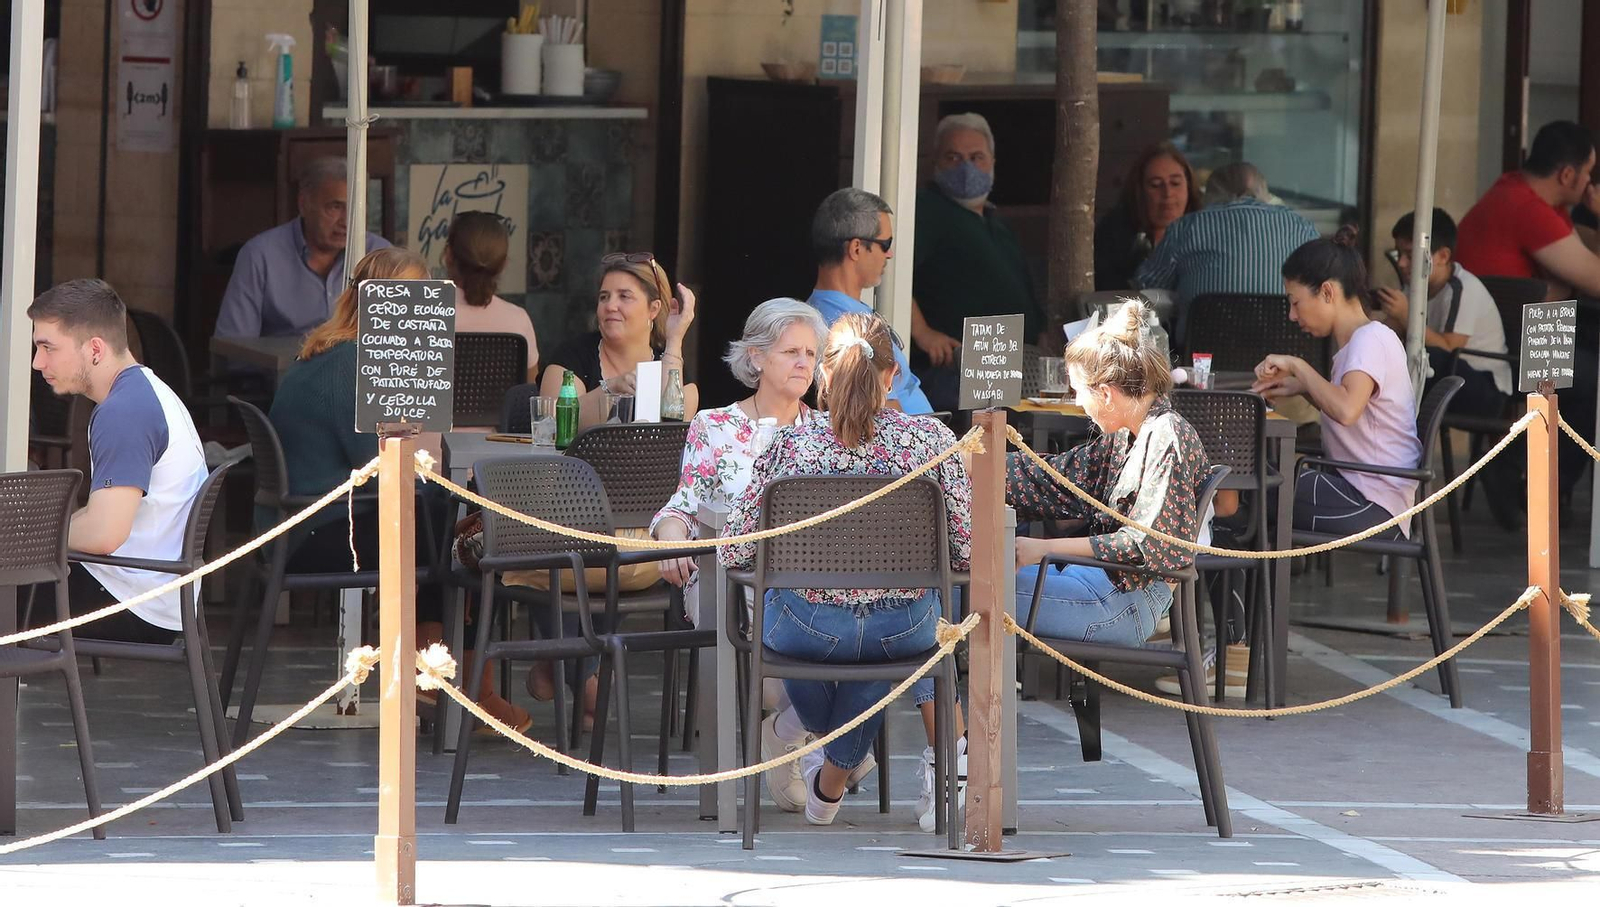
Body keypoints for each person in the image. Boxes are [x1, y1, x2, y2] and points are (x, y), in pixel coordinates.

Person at [720, 312, 971, 828]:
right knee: (891, 642)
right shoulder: (930, 441)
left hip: (807, 631)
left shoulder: (790, 446)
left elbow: (734, 551)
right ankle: (845, 781)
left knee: (810, 627)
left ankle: (828, 781)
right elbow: (964, 549)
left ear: (824, 375)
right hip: (903, 629)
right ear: (892, 376)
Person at [269, 247, 530, 733]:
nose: (418, 310)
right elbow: (377, 469)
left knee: (450, 525)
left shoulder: (335, 351)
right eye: (408, 297)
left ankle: (441, 681)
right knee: (466, 536)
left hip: (311, 523)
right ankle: (466, 689)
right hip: (321, 530)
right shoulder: (352, 363)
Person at [648, 298, 827, 814]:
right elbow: (682, 506)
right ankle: (820, 741)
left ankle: (792, 734)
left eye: (811, 354)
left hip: (807, 583)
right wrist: (672, 541)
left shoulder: (827, 430)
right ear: (756, 357)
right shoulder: (714, 425)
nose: (804, 363)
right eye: (791, 352)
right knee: (789, 628)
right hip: (724, 578)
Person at [1005, 298, 1212, 650]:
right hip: (1104, 585)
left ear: (1104, 393)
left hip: (1128, 601)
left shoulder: (1166, 435)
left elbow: (1145, 544)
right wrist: (972, 462)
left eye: (1078, 392)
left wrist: (1041, 548)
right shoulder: (1127, 435)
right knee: (970, 580)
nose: (1078, 403)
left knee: (963, 590)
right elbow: (1054, 479)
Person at [27, 279, 206, 644]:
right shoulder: (147, 392)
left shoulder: (123, 412)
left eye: (48, 347)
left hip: (132, 603)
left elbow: (104, 534)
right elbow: (100, 522)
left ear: (95, 349)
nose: (37, 362)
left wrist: (26, 539)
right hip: (153, 594)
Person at [1456, 120, 1600, 503]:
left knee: (1585, 347)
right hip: (1505, 348)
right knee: (1592, 377)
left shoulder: (1515, 189)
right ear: (1567, 174)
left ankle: (1527, 473)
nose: (1590, 183)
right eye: (1588, 173)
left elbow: (1579, 258)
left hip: (1523, 331)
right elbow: (1594, 278)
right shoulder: (1528, 209)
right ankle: (1536, 483)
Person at [1252, 229, 1422, 539]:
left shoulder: (1370, 340)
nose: (1292, 315)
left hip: (1373, 504)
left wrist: (1299, 366)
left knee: (1251, 489)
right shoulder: (1361, 342)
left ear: (1327, 292)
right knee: (1254, 487)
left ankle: (1223, 565)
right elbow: (1351, 408)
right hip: (1364, 492)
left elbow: (1346, 410)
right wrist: (1301, 387)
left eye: (1296, 302)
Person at [907, 113, 1046, 411]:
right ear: (935, 162)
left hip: (1012, 371)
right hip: (953, 372)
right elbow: (893, 272)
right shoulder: (926, 211)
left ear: (992, 162)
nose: (966, 167)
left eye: (976, 157)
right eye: (953, 157)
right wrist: (922, 331)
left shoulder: (995, 222)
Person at [1135, 162, 1320, 344]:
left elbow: (1148, 285)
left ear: (1210, 194)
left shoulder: (1186, 228)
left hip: (1204, 355)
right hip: (1289, 352)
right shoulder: (1302, 227)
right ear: (1264, 191)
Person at [213, 157, 391, 339]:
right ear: (303, 204)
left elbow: (397, 339)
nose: (346, 221)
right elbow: (233, 344)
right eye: (335, 207)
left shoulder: (380, 256)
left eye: (356, 208)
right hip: (284, 358)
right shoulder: (260, 256)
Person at [806, 188, 933, 414]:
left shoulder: (838, 311)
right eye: (885, 244)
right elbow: (881, 410)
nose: (890, 254)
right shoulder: (841, 326)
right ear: (856, 248)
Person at [540, 253, 699, 428]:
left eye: (624, 296)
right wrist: (611, 388)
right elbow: (553, 424)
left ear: (653, 309)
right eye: (604, 297)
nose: (610, 306)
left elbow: (671, 430)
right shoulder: (572, 356)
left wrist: (674, 340)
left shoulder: (671, 365)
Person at [1094, 143, 1203, 292]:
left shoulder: (1206, 231)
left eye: (1175, 183)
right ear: (1140, 191)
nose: (1168, 193)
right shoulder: (1115, 233)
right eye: (1156, 185)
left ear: (1188, 186)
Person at [446, 211, 539, 383]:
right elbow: (531, 388)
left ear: (448, 255)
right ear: (503, 264)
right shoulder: (518, 320)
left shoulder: (422, 317)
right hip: (502, 404)